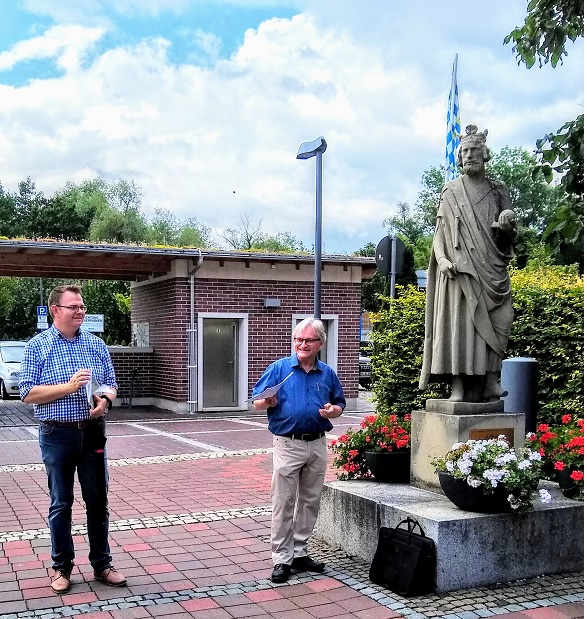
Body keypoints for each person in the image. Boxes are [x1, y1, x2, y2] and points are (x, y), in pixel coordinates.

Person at [19, 284, 126, 594]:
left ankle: (102, 564)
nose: (80, 311)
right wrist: (67, 387)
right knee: (60, 503)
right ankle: (61, 567)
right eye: (73, 307)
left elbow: (111, 384)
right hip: (56, 434)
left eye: (82, 306)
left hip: (92, 431)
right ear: (56, 310)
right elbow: (27, 392)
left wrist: (105, 400)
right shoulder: (38, 346)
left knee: (97, 502)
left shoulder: (95, 344)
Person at [419, 125, 517, 403]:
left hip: (491, 268)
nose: (470, 155)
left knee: (502, 319)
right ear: (460, 157)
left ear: (485, 154)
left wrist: (509, 225)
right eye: (465, 151)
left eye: (475, 150)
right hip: (459, 271)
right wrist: (443, 259)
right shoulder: (451, 191)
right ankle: (458, 388)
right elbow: (440, 235)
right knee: (459, 329)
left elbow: (506, 235)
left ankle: (490, 381)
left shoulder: (499, 190)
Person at [252, 317, 346, 583]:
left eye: (308, 340)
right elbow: (256, 401)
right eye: (298, 340)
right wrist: (266, 401)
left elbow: (339, 405)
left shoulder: (327, 373)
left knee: (310, 501)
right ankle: (282, 559)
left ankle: (301, 552)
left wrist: (332, 411)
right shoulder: (280, 368)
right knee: (283, 503)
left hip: (317, 443)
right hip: (287, 443)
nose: (302, 344)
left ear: (320, 343)